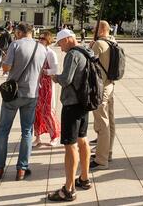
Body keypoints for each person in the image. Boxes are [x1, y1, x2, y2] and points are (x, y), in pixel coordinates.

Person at [0, 22, 46, 181]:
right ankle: (22, 169)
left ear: (20, 32)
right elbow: (41, 70)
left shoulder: (15, 45)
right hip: (31, 93)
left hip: (13, 94)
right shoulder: (41, 48)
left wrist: (4, 59)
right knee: (27, 132)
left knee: (4, 130)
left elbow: (6, 68)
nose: (15, 34)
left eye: (16, 32)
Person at [48, 29, 92, 202]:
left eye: (60, 43)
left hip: (72, 104)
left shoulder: (72, 55)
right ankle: (84, 178)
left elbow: (66, 79)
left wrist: (55, 77)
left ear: (67, 39)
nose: (60, 48)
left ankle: (68, 189)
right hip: (84, 102)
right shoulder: (87, 51)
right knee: (83, 139)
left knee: (70, 146)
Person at [90, 21, 117, 170]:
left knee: (102, 123)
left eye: (95, 28)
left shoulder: (99, 44)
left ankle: (101, 160)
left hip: (100, 87)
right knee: (110, 121)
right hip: (110, 85)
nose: (93, 29)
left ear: (101, 29)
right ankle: (108, 152)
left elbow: (89, 63)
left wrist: (90, 48)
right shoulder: (113, 42)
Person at [33, 30, 60, 147]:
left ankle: (55, 135)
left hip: (47, 85)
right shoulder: (37, 52)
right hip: (36, 85)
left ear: (48, 40)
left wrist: (44, 71)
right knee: (36, 112)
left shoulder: (50, 53)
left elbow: (55, 70)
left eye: (43, 38)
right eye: (39, 38)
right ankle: (37, 137)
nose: (40, 40)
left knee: (48, 111)